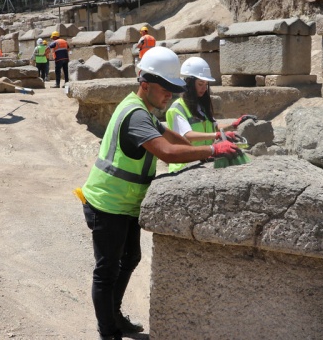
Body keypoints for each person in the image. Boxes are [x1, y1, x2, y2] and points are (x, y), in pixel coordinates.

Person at [80, 46, 238, 340]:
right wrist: (212, 150)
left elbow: (172, 136)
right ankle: (108, 332)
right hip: (107, 203)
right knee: (106, 271)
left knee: (130, 258)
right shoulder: (136, 116)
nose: (171, 95)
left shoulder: (145, 110)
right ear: (145, 84)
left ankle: (114, 315)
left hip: (125, 203)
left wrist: (210, 146)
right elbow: (166, 151)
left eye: (174, 89)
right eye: (165, 89)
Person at [165, 56, 238, 172]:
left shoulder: (201, 106)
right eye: (200, 84)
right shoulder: (177, 109)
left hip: (202, 161)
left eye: (206, 84)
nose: (204, 88)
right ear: (188, 83)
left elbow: (214, 126)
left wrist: (234, 125)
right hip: (184, 166)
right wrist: (216, 136)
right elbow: (187, 135)